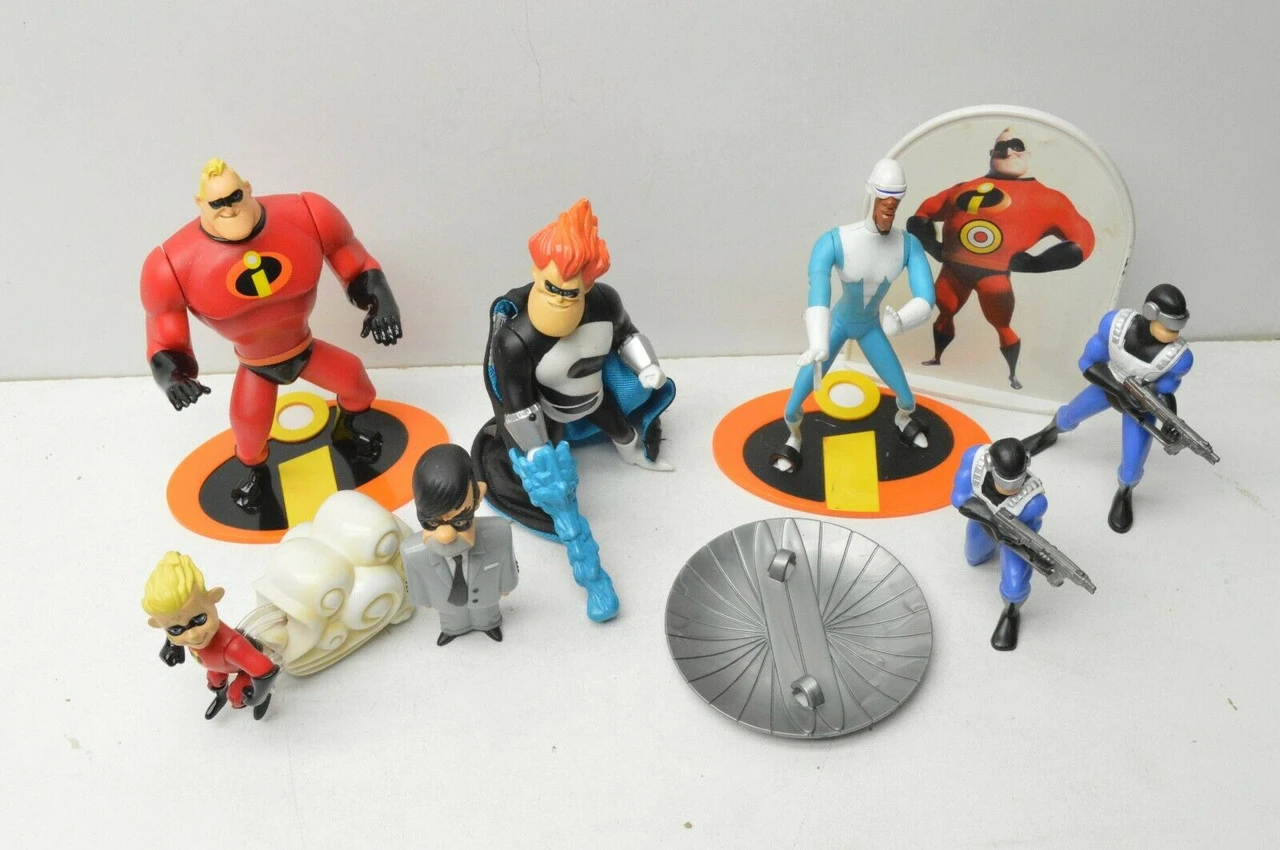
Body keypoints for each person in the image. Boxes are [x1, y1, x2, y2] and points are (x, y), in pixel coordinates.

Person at [140, 159, 402, 512]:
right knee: (248, 434)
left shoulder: (308, 214)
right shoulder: (171, 264)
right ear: (200, 204)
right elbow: (164, 340)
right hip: (256, 364)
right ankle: (256, 475)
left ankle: (347, 430)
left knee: (357, 383)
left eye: (234, 197)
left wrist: (381, 302)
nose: (229, 208)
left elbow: (355, 264)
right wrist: (174, 379)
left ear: (247, 189)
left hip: (304, 346)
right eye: (218, 203)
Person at [773, 158, 935, 473]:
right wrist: (818, 341)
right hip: (837, 325)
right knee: (793, 406)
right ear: (871, 192)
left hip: (871, 328)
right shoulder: (835, 241)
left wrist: (901, 321)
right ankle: (794, 437)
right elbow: (818, 289)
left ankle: (902, 420)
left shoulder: (908, 246)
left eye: (897, 197)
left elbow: (926, 298)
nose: (890, 204)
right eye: (885, 195)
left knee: (907, 398)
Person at [908, 129, 1095, 389]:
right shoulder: (962, 188)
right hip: (953, 271)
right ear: (991, 153)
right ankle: (937, 358)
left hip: (994, 276)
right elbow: (923, 213)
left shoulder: (1049, 199)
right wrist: (933, 247)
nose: (1007, 151)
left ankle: (1012, 374)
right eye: (1000, 147)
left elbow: (1083, 241)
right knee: (945, 312)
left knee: (1001, 326)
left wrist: (1037, 264)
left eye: (1015, 145)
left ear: (1027, 154)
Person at [1022, 284, 1193, 533]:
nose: (1174, 335)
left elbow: (1165, 392)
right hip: (1107, 386)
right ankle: (1049, 432)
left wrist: (1170, 421)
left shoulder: (1178, 358)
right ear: (1150, 312)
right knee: (1069, 415)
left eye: (1177, 329)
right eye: (1168, 327)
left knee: (1132, 466)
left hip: (1140, 408)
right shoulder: (1115, 325)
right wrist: (1120, 391)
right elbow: (1088, 364)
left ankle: (1125, 491)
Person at [401, 444, 519, 646]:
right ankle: (453, 629)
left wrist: (507, 585)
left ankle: (488, 625)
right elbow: (415, 580)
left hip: (486, 599)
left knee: (486, 616)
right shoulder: (412, 552)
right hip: (445, 605)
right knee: (452, 620)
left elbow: (507, 561)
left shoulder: (499, 534)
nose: (446, 536)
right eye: (431, 523)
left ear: (478, 497)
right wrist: (423, 599)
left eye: (460, 522)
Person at [142, 551, 279, 719]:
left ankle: (262, 695)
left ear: (213, 598)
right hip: (216, 665)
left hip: (240, 666)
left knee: (236, 697)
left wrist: (258, 696)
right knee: (214, 680)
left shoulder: (233, 647)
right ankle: (220, 696)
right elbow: (172, 626)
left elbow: (267, 670)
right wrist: (172, 645)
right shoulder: (181, 631)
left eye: (200, 619)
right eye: (176, 630)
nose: (192, 636)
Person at [951, 439, 1048, 651]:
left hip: (1013, 538)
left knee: (1015, 587)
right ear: (990, 465)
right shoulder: (975, 459)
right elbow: (959, 498)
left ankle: (1011, 613)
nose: (1011, 489)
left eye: (1016, 482)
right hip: (983, 522)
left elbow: (1030, 535)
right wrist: (990, 520)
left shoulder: (1034, 501)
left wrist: (1012, 538)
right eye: (1005, 481)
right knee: (974, 557)